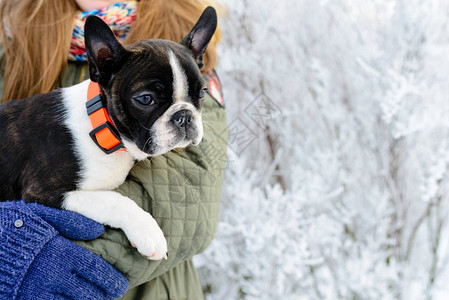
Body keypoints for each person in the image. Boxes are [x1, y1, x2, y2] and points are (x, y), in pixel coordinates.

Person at [0, 0, 227, 299]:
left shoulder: (183, 50)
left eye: (195, 96)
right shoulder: (13, 51)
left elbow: (187, 201)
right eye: (147, 100)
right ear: (102, 63)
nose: (183, 118)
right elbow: (43, 194)